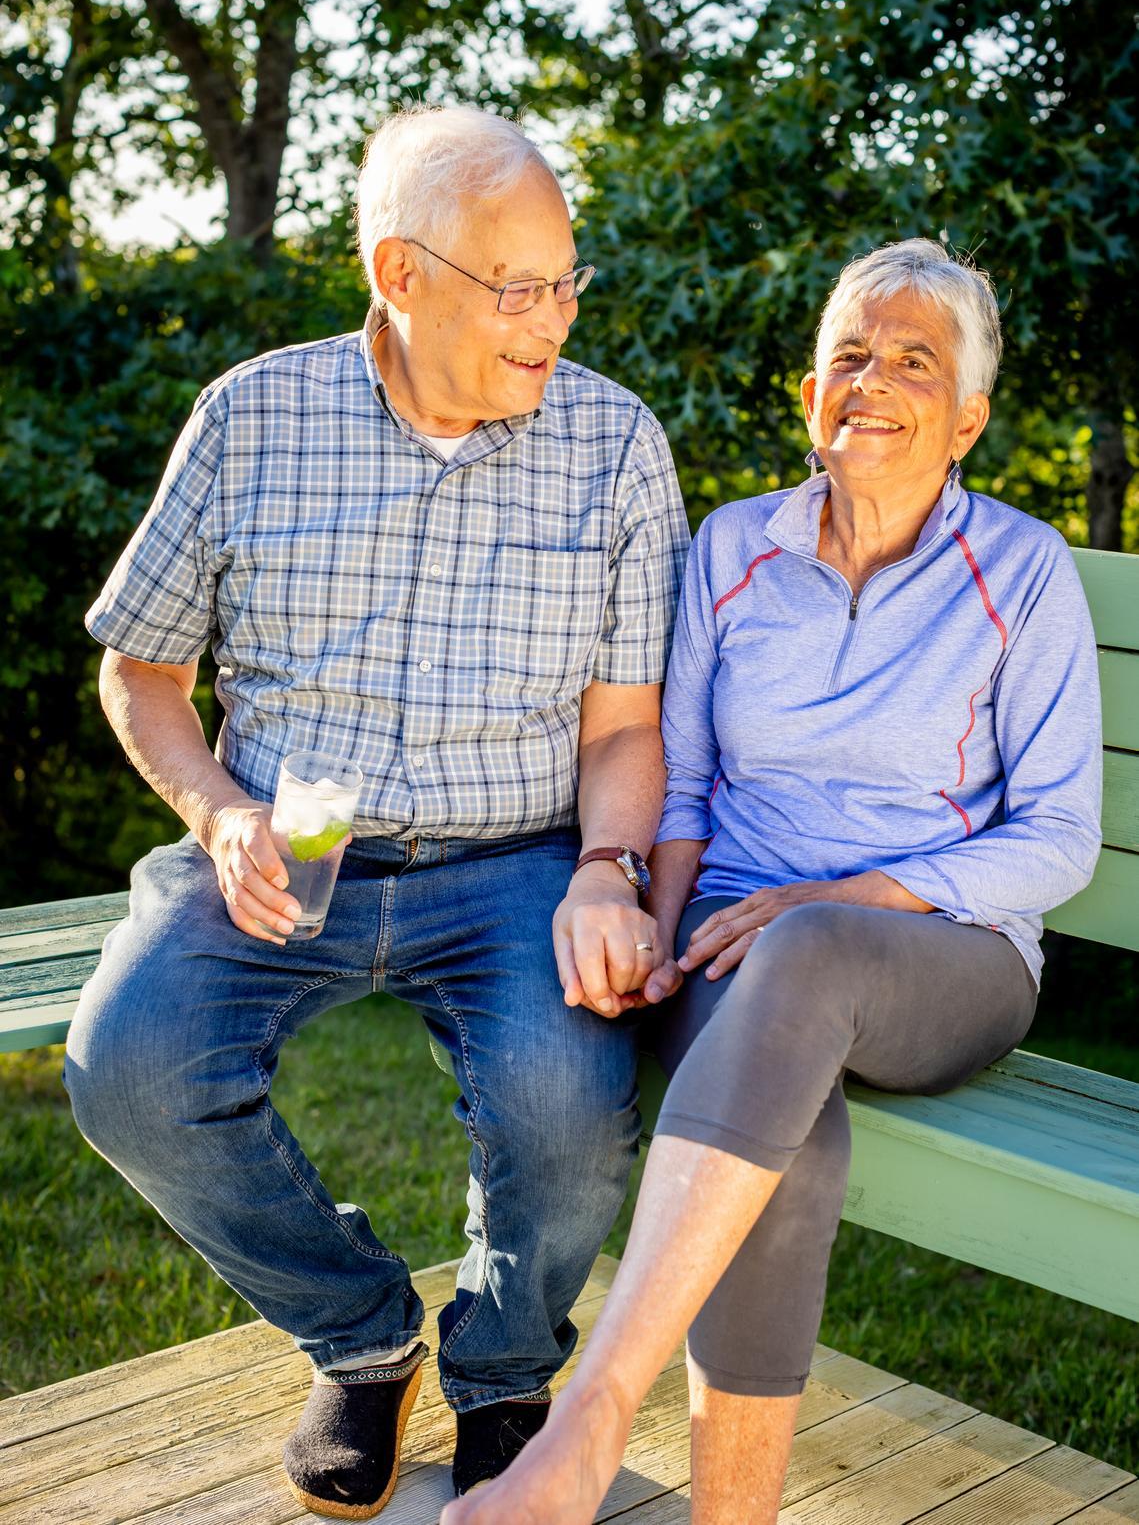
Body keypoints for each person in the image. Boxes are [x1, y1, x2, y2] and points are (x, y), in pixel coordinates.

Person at [64, 105, 690, 1519]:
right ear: (399, 274)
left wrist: (606, 866)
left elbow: (622, 726)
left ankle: (504, 1369)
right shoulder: (250, 416)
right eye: (516, 288)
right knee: (129, 1063)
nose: (553, 320)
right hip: (292, 836)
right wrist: (218, 812)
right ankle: (359, 1336)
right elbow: (140, 670)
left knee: (565, 1108)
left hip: (517, 854)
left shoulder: (613, 442)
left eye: (567, 283)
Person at [442, 239, 1102, 1525]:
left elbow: (1059, 836)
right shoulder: (733, 546)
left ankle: (584, 1427)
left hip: (943, 949)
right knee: (789, 1145)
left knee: (806, 950)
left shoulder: (1021, 570)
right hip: (733, 941)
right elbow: (683, 784)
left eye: (913, 361)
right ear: (808, 391)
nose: (872, 380)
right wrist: (658, 933)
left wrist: (843, 898)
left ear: (966, 420)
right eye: (848, 354)